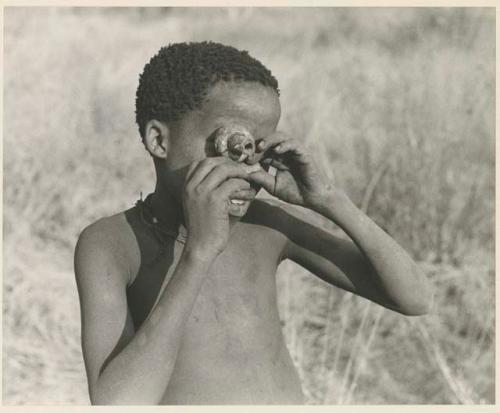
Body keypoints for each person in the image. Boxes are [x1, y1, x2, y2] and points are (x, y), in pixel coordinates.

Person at [74, 41, 433, 405]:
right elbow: (115, 404)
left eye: (257, 150)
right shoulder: (111, 245)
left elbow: (415, 299)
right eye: (228, 146)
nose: (246, 167)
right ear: (159, 141)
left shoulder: (266, 226)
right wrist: (199, 253)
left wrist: (327, 199)